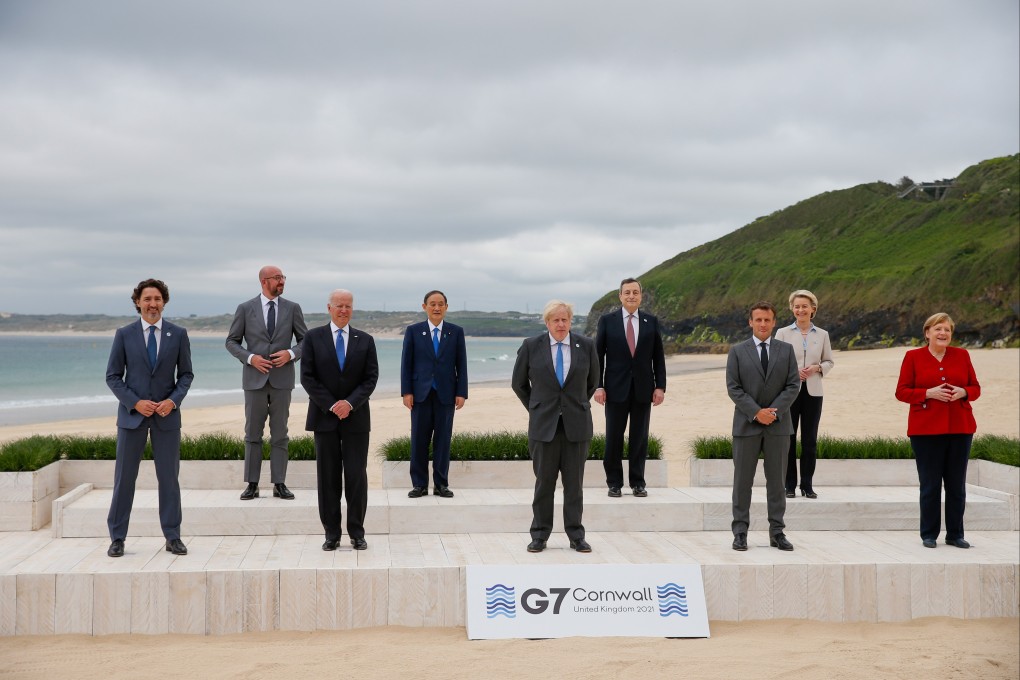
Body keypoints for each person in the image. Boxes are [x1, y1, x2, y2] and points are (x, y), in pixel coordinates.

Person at [105, 279, 193, 558]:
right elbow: (113, 376)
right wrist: (135, 402)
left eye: (157, 299)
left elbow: (186, 375)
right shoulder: (124, 334)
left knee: (169, 479)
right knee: (124, 479)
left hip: (167, 418)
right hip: (132, 418)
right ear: (138, 303)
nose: (152, 304)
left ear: (164, 302)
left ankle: (172, 536)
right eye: (147, 299)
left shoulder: (178, 334)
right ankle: (117, 538)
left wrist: (172, 401)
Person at [511, 300, 600, 553]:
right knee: (544, 484)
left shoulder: (587, 346)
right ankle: (539, 535)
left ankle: (576, 535)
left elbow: (592, 382)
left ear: (571, 321)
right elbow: (519, 384)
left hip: (577, 426)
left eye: (565, 319)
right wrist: (537, 408)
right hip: (543, 427)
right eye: (555, 320)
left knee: (575, 485)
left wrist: (574, 405)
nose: (561, 324)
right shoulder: (531, 346)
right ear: (547, 322)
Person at [300, 290, 378, 551]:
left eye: (348, 306)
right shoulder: (312, 338)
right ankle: (331, 534)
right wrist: (333, 404)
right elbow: (308, 378)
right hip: (325, 419)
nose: (343, 310)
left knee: (356, 476)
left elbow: (371, 378)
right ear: (329, 308)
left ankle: (357, 532)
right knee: (328, 478)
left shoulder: (365, 340)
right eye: (339, 306)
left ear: (352, 309)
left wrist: (350, 403)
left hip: (356, 419)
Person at [895, 313, 980, 549]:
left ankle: (955, 534)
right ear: (927, 333)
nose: (943, 334)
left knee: (956, 485)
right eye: (938, 329)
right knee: (930, 485)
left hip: (960, 428)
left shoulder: (962, 355)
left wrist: (964, 392)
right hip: (925, 431)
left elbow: (975, 387)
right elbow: (901, 392)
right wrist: (927, 393)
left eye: (947, 330)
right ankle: (929, 534)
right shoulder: (913, 357)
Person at [226, 265, 307, 501]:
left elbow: (305, 341)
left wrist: (290, 355)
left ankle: (279, 483)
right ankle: (252, 484)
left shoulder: (293, 308)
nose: (282, 282)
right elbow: (232, 341)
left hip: (282, 380)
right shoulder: (245, 308)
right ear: (264, 281)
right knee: (252, 433)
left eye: (283, 278)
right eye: (277, 278)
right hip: (254, 381)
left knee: (280, 433)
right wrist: (251, 358)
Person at [726, 301, 800, 552]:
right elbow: (733, 388)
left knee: (777, 483)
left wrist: (773, 413)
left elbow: (793, 386)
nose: (763, 324)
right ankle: (740, 532)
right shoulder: (737, 351)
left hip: (778, 427)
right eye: (758, 320)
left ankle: (777, 531)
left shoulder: (786, 350)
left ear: (774, 322)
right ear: (750, 322)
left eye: (767, 320)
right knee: (742, 482)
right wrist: (756, 413)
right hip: (746, 425)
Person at [594, 277, 666, 498]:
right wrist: (598, 386)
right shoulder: (607, 321)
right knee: (614, 437)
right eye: (627, 292)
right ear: (620, 296)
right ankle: (614, 483)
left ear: (641, 296)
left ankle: (638, 482)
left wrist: (660, 386)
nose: (631, 296)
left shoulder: (650, 322)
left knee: (639, 438)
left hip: (644, 389)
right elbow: (598, 356)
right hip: (615, 389)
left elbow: (658, 357)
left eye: (635, 292)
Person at [400, 290, 468, 499]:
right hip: (420, 394)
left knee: (443, 441)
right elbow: (406, 363)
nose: (436, 308)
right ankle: (419, 484)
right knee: (419, 440)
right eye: (432, 304)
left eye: (440, 304)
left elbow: (461, 364)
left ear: (446, 307)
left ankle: (441, 484)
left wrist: (462, 392)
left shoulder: (455, 332)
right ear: (424, 307)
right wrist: (406, 391)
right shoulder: (413, 331)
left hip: (446, 394)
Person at [774, 290, 834, 499]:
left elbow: (829, 362)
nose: (801, 310)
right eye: (797, 306)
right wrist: (792, 372)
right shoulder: (782, 333)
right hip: (789, 392)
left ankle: (807, 486)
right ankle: (789, 485)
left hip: (814, 392)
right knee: (788, 439)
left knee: (810, 440)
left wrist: (817, 368)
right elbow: (775, 362)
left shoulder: (823, 334)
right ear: (792, 309)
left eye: (805, 306)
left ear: (813, 309)